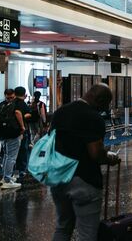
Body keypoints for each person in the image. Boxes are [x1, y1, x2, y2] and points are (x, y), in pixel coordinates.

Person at [51, 84, 121, 241]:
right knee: (87, 233)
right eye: (106, 104)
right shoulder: (93, 117)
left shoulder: (61, 112)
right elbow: (95, 153)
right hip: (83, 179)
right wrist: (109, 158)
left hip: (58, 177)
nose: (105, 108)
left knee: (62, 227)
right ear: (100, 100)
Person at [0, 88, 24, 189]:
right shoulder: (15, 104)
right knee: (11, 157)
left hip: (3, 133)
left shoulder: (1, 105)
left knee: (6, 156)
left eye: (11, 97)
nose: (10, 99)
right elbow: (18, 114)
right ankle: (7, 179)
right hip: (13, 133)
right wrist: (22, 127)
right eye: (9, 97)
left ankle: (5, 177)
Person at [13, 87, 32, 180]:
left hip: (11, 131)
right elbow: (25, 114)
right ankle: (21, 170)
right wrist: (22, 123)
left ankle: (12, 171)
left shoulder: (11, 103)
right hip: (21, 131)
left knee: (11, 152)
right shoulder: (22, 104)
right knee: (22, 150)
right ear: (24, 93)